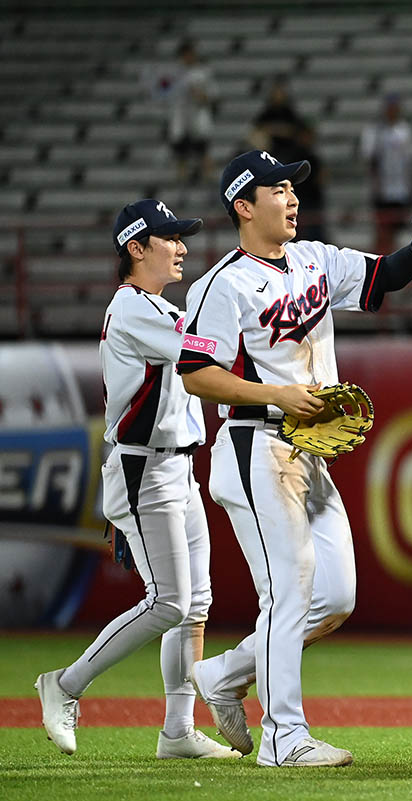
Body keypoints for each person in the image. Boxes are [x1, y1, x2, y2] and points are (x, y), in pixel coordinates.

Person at [177, 150, 412, 768]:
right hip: (255, 441)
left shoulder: (315, 258)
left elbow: (382, 278)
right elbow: (195, 373)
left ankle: (225, 673)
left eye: (293, 186)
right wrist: (274, 393)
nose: (292, 196)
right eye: (276, 188)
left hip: (308, 450)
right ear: (243, 207)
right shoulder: (220, 284)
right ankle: (283, 737)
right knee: (290, 591)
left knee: (333, 597)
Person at [35, 199, 239, 761]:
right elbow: (202, 352)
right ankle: (65, 684)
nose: (181, 247)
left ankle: (178, 731)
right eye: (169, 238)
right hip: (143, 466)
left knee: (196, 602)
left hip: (177, 464)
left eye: (181, 237)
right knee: (171, 602)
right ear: (136, 248)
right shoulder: (130, 307)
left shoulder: (153, 305)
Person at [360, 94, 412, 254]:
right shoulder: (375, 131)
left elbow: (410, 160)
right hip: (383, 188)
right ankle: (380, 256)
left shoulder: (404, 130)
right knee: (382, 226)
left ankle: (393, 255)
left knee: (398, 226)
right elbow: (370, 159)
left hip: (401, 187)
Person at [159, 41, 216, 182]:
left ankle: (209, 177)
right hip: (180, 115)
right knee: (180, 150)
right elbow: (163, 91)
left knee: (202, 148)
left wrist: (199, 95)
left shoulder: (203, 72)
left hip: (198, 114)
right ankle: (181, 178)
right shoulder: (173, 73)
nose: (188, 57)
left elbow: (212, 95)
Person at [249, 78, 306, 163]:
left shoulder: (289, 113)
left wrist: (273, 129)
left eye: (280, 93)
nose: (278, 96)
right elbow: (259, 129)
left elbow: (293, 130)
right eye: (276, 93)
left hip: (288, 150)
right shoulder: (267, 112)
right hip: (270, 151)